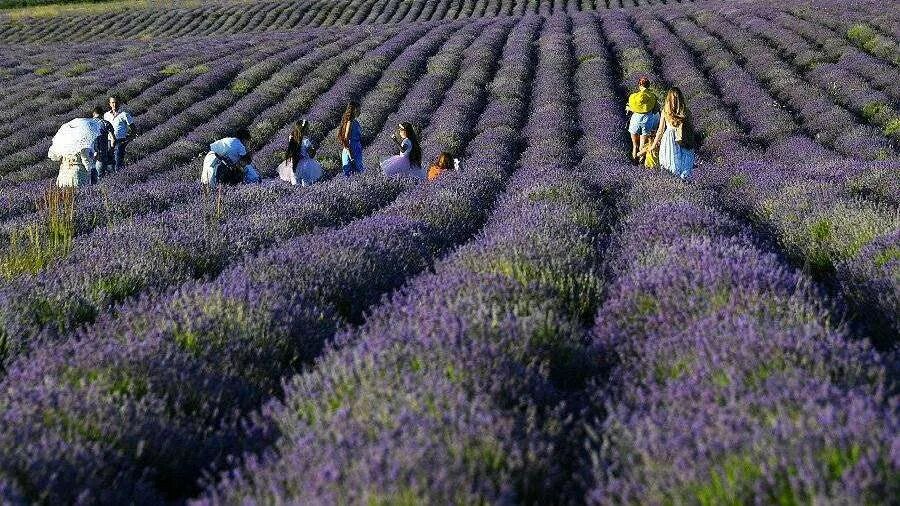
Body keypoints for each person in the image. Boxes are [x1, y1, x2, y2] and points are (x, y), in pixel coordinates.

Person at [642, 87, 696, 180]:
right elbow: (691, 128)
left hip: (672, 139)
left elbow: (660, 131)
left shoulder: (666, 111)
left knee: (671, 164)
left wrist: (653, 145)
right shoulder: (686, 112)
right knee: (683, 165)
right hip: (681, 139)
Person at [278, 120, 323, 186]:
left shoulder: (291, 138)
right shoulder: (306, 141)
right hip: (306, 165)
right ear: (304, 130)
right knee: (306, 184)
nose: (309, 130)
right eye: (307, 128)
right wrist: (313, 150)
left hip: (293, 164)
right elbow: (312, 155)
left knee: (295, 184)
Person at [626, 76, 660, 163]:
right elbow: (655, 111)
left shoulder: (633, 97)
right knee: (643, 145)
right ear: (648, 86)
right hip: (647, 120)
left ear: (639, 85)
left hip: (635, 120)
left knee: (634, 145)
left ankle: (634, 162)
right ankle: (641, 163)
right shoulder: (652, 96)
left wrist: (631, 109)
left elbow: (631, 108)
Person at [103, 95, 135, 172]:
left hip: (120, 141)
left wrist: (129, 138)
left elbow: (133, 128)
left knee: (118, 161)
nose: (114, 104)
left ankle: (119, 176)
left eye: (116, 102)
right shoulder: (106, 115)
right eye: (113, 102)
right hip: (109, 141)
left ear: (119, 103)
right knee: (109, 163)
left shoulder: (124, 114)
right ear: (110, 104)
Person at [338, 101, 365, 177]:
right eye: (359, 109)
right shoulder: (350, 122)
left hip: (356, 148)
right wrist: (351, 155)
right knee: (352, 173)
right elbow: (346, 139)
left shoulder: (355, 121)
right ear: (354, 110)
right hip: (351, 149)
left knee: (358, 172)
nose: (360, 111)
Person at [90, 106, 114, 183]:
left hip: (90, 154)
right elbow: (113, 139)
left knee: (92, 177)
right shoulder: (106, 123)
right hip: (102, 154)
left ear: (93, 114)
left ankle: (92, 193)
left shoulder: (88, 123)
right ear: (102, 114)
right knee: (101, 176)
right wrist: (111, 151)